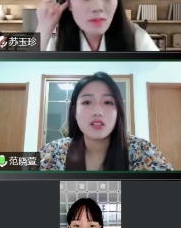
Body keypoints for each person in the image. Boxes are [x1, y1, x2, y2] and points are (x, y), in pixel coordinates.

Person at [38, 72, 172, 171]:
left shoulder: (143, 151)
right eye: (87, 102)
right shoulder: (52, 152)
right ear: (74, 112)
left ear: (118, 111)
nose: (97, 111)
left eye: (108, 102)